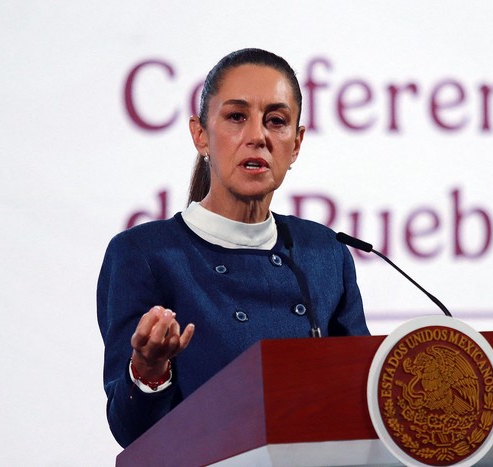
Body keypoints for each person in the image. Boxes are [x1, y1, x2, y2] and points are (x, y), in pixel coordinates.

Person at [97, 48, 370, 448]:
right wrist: (149, 368)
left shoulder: (325, 253)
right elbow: (131, 433)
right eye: (236, 117)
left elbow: (363, 393)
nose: (257, 136)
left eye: (276, 121)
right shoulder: (144, 255)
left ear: (295, 145)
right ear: (200, 134)